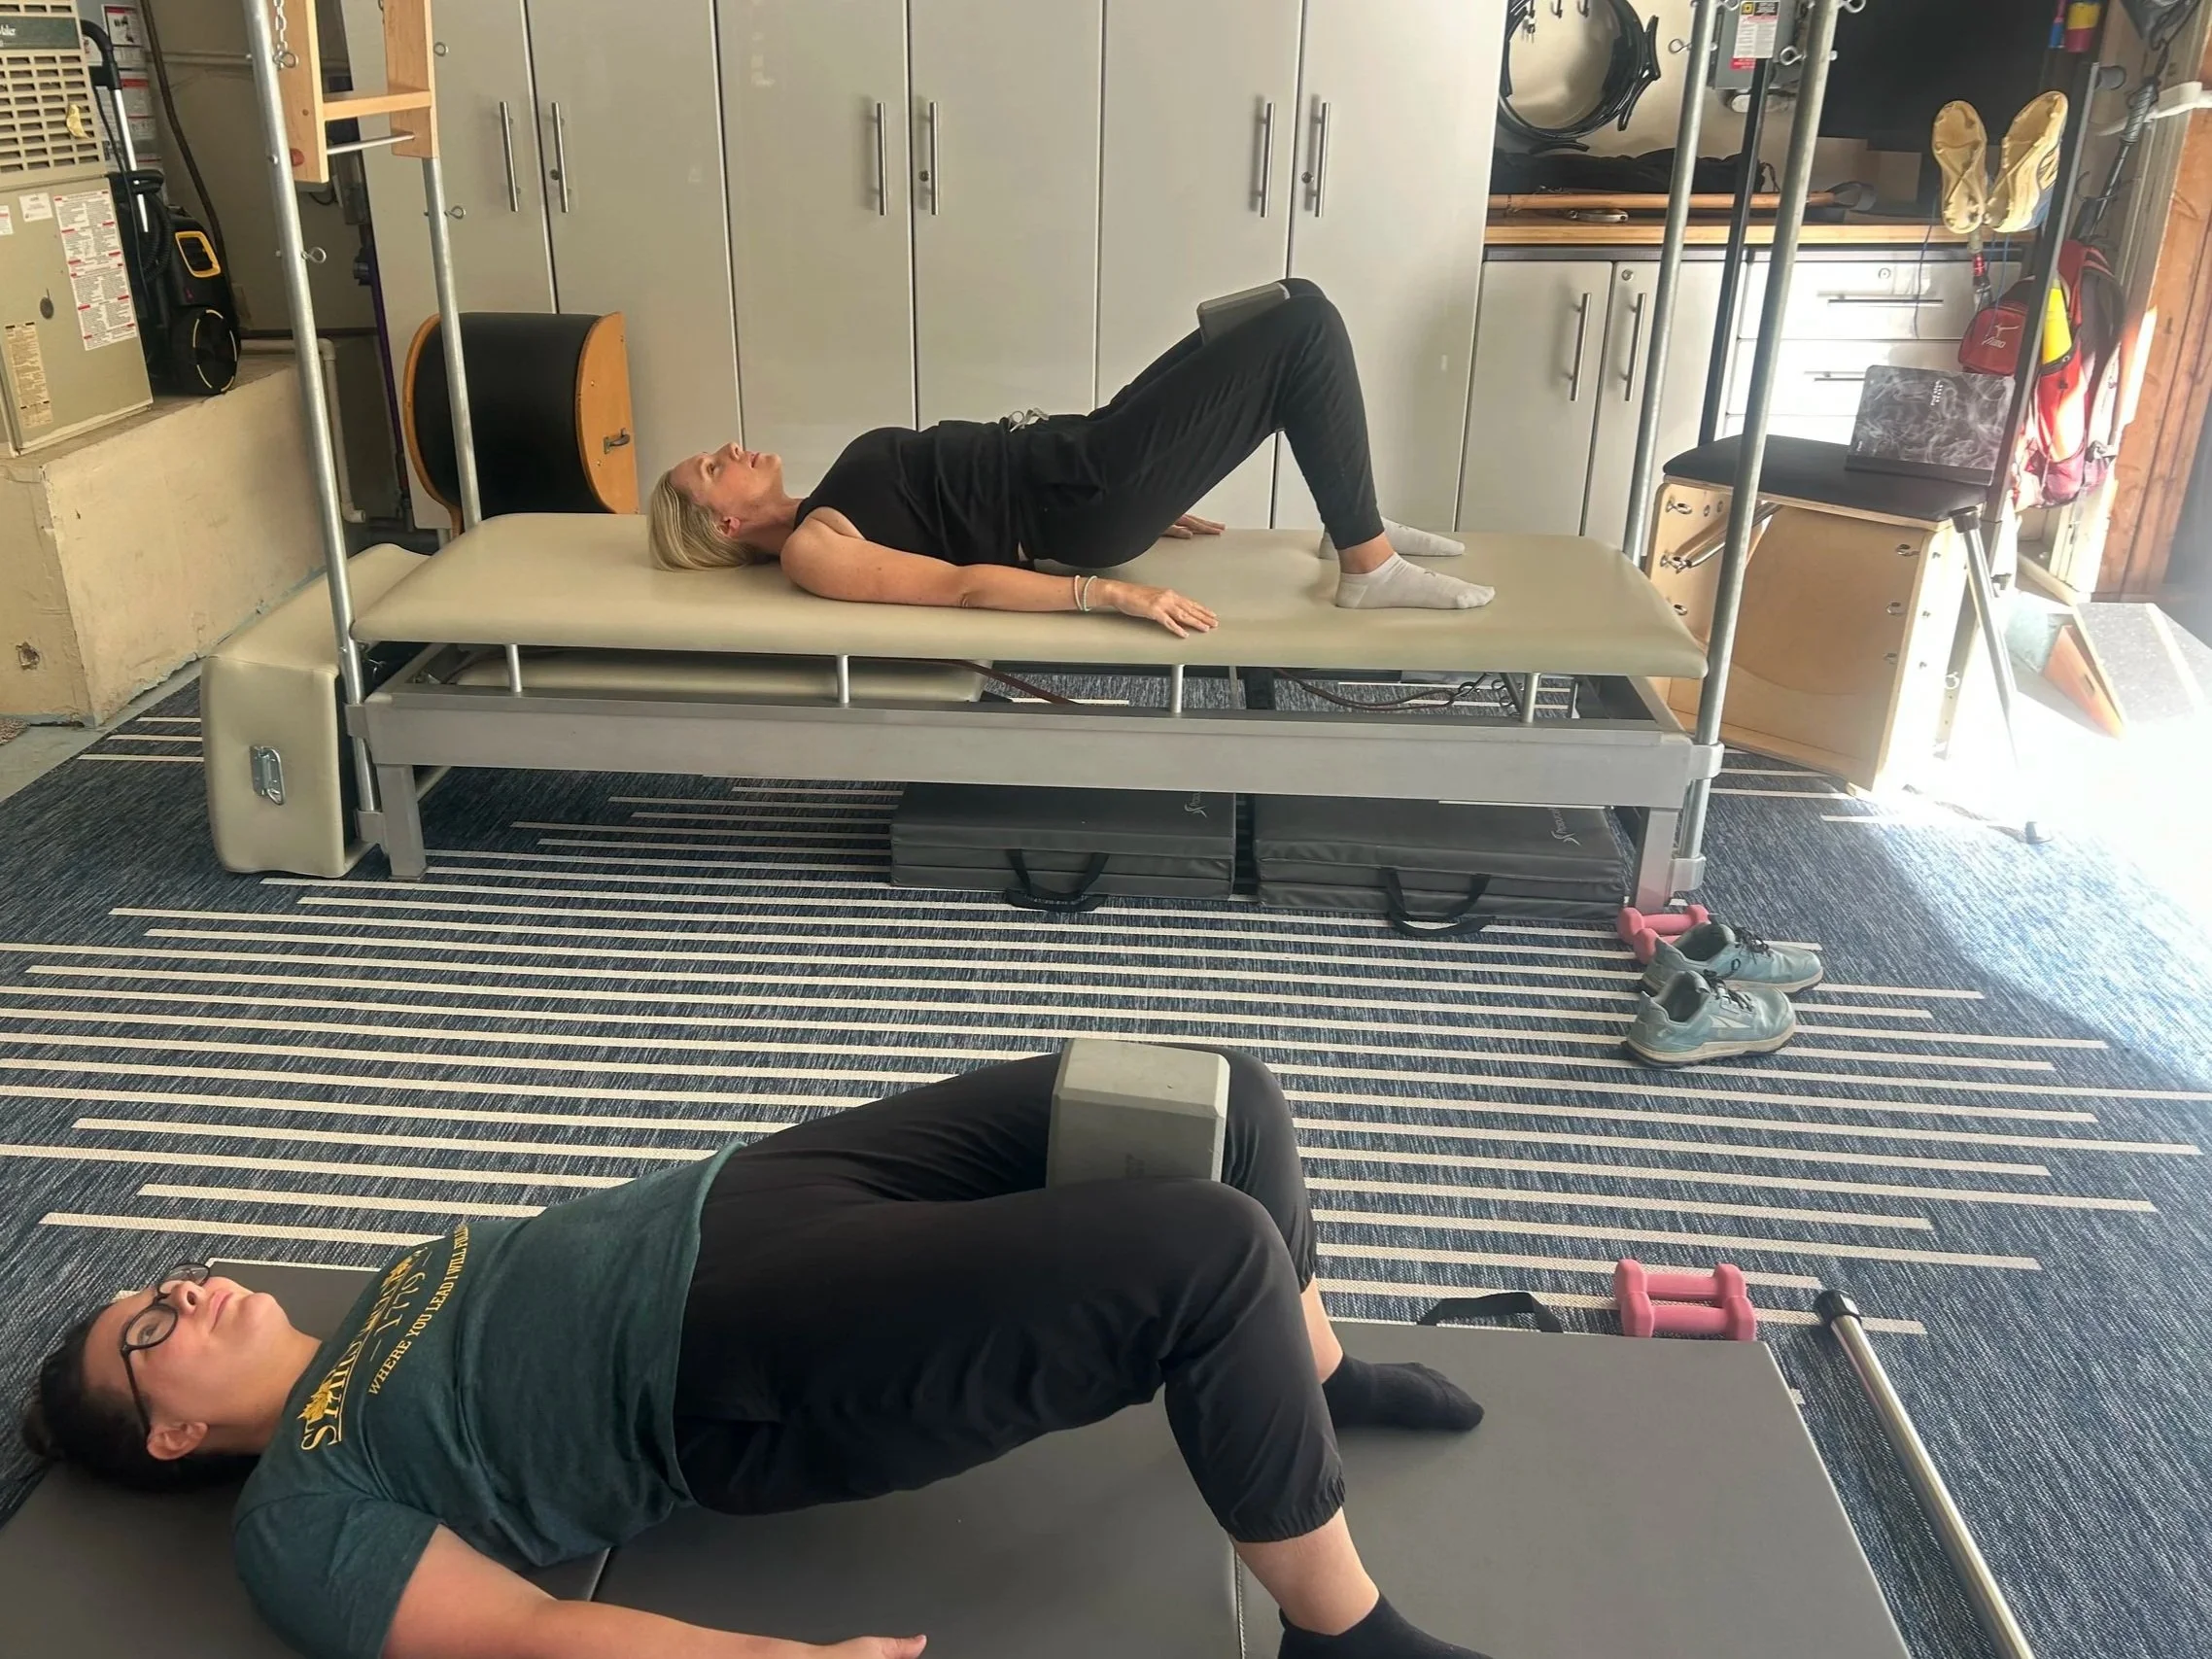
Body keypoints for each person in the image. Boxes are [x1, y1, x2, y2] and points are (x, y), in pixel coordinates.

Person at [20, 1049, 1496, 1659]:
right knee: (1208, 1247)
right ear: (160, 1433)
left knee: (1214, 1092)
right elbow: (528, 1633)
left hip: (751, 1192)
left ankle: (1309, 1372)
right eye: (146, 1329)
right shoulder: (298, 1508)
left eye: (166, 1278)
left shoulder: (383, 1289)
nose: (189, 1287)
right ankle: (1339, 1628)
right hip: (726, 1361)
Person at [647, 280, 1494, 637]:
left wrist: (1156, 500)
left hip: (1081, 451)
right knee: (1303, 334)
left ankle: (1354, 518)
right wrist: (1109, 591)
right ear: (723, 519)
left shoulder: (825, 494)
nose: (727, 449)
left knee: (1285, 304)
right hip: (1083, 498)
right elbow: (962, 586)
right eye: (711, 467)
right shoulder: (812, 548)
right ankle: (1366, 565)